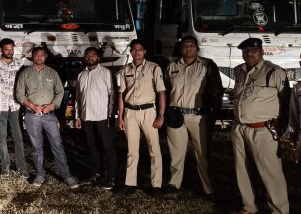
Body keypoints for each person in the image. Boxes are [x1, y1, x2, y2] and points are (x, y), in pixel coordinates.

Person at [228, 38, 291, 214]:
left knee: (271, 172)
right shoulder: (239, 71)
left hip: (263, 129)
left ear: (262, 52)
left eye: (254, 50)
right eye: (246, 50)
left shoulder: (274, 72)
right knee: (242, 169)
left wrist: (282, 130)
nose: (249, 53)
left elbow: (286, 102)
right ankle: (249, 206)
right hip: (240, 128)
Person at [163, 36, 222, 200]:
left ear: (197, 48)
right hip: (176, 115)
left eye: (191, 45)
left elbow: (217, 91)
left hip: (198, 116)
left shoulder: (207, 65)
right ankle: (174, 185)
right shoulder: (171, 66)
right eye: (185, 46)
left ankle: (209, 189)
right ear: (180, 48)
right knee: (176, 154)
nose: (188, 48)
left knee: (202, 154)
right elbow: (165, 90)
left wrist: (212, 114)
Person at [16, 46, 79, 189]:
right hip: (32, 115)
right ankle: (40, 174)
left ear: (46, 57)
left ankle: (67, 175)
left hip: (49, 116)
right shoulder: (25, 73)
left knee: (57, 145)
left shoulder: (52, 73)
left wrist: (51, 106)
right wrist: (32, 106)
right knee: (36, 147)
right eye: (36, 55)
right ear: (32, 57)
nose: (39, 57)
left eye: (42, 55)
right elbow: (19, 94)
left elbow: (60, 92)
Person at [115, 39, 166, 195]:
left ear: (145, 52)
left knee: (154, 149)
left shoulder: (154, 68)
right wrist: (120, 117)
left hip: (148, 112)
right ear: (130, 52)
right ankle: (130, 184)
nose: (136, 52)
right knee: (132, 150)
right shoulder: (125, 70)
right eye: (133, 49)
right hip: (130, 113)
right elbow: (121, 95)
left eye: (139, 49)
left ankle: (156, 185)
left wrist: (161, 115)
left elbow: (161, 92)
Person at [75, 47, 117, 190]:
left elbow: (112, 94)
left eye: (93, 55)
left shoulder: (105, 73)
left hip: (102, 116)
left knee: (107, 146)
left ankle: (111, 177)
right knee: (92, 146)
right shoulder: (81, 75)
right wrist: (77, 116)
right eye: (87, 55)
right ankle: (97, 172)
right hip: (86, 116)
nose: (90, 57)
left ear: (98, 58)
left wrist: (111, 114)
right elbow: (78, 97)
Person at [0, 38, 30, 178]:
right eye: (7, 49)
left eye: (11, 49)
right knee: (1, 136)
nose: (10, 52)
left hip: (15, 105)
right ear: (1, 50)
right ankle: (5, 165)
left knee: (18, 137)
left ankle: (21, 166)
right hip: (0, 106)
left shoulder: (19, 64)